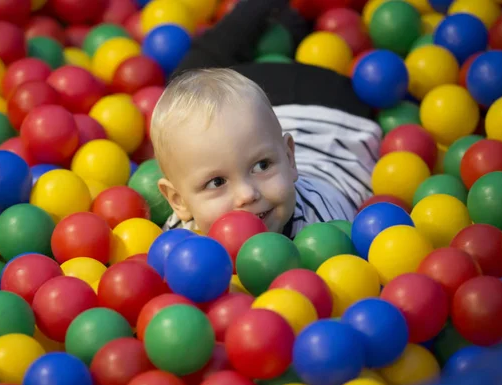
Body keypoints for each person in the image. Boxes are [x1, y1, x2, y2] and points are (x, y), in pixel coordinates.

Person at [150, 0, 382, 238]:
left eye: (262, 165)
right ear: (179, 201)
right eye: (217, 182)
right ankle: (285, 29)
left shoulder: (324, 230)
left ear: (290, 159)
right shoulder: (181, 238)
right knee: (183, 90)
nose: (247, 195)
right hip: (273, 103)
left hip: (331, 103)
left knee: (182, 81)